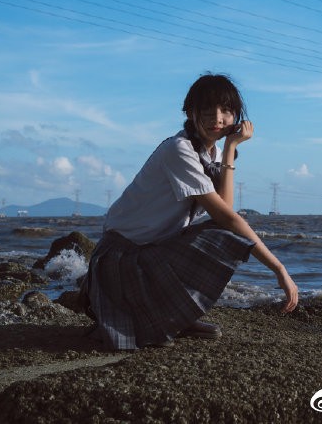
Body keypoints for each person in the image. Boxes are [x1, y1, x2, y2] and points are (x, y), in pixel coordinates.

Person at [84, 72, 297, 350]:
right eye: (207, 110)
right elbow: (227, 217)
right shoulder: (179, 149)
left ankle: (175, 316)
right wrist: (278, 268)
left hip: (150, 250)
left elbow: (225, 207)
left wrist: (230, 147)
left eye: (226, 111)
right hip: (120, 259)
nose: (217, 118)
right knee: (224, 233)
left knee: (222, 232)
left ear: (237, 117)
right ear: (190, 112)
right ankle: (161, 317)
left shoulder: (212, 154)